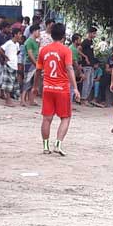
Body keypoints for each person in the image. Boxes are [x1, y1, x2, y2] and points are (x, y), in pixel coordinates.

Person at [33, 23, 81, 156]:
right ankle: (58, 144)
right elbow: (69, 68)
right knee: (65, 117)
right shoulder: (66, 50)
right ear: (64, 36)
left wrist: (35, 86)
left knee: (46, 119)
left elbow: (38, 70)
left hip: (47, 88)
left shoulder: (44, 50)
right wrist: (75, 88)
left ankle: (45, 146)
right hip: (62, 89)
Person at [0, 27, 23, 107]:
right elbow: (0, 50)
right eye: (19, 34)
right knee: (8, 83)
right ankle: (7, 100)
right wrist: (6, 57)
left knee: (12, 83)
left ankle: (8, 98)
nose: (20, 35)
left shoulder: (17, 44)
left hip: (14, 65)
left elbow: (17, 52)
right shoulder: (9, 43)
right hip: (9, 64)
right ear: (15, 35)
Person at [21, 24, 41, 106]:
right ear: (34, 31)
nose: (39, 33)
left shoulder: (35, 42)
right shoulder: (29, 41)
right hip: (29, 63)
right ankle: (22, 100)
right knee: (27, 81)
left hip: (34, 63)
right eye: (38, 31)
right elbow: (30, 53)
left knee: (33, 82)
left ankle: (31, 100)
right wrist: (36, 63)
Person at [80, 27, 99, 106]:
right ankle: (83, 99)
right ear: (90, 33)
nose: (95, 35)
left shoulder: (91, 42)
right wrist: (85, 57)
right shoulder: (85, 41)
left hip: (91, 65)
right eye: (94, 33)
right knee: (86, 82)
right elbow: (79, 49)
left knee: (91, 83)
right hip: (86, 65)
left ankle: (86, 98)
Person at [69, 33, 83, 104]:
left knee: (71, 87)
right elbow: (74, 62)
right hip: (71, 69)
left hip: (71, 69)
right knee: (71, 87)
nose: (80, 41)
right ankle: (69, 104)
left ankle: (69, 103)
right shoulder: (73, 49)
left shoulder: (72, 48)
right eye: (79, 40)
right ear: (75, 41)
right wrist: (80, 72)